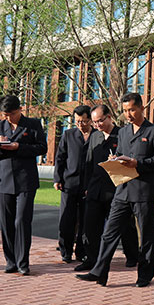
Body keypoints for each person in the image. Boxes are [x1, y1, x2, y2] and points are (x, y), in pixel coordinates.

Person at [77, 94, 154, 287]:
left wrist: (138, 163)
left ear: (142, 108)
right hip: (123, 190)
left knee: (147, 236)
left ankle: (144, 275)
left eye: (132, 110)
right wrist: (115, 160)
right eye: (125, 111)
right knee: (109, 233)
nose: (128, 114)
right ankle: (99, 272)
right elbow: (120, 154)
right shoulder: (124, 132)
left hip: (144, 192)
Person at [0, 95, 47, 275]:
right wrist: (1, 146)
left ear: (20, 109)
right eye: (4, 115)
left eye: (11, 114)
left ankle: (23, 262)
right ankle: (10, 261)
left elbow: (42, 148)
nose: (8, 118)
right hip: (5, 180)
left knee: (22, 220)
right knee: (6, 222)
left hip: (26, 180)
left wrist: (18, 147)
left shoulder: (33, 124)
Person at [74, 104, 137, 272]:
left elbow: (131, 160)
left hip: (116, 189)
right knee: (90, 225)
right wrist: (86, 186)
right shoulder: (95, 137)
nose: (97, 125)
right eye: (94, 122)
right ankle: (92, 259)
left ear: (109, 117)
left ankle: (132, 255)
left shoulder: (122, 135)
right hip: (95, 188)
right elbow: (88, 163)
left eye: (100, 121)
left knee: (123, 226)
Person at [54, 105, 94, 263]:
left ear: (90, 120)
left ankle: (81, 252)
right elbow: (60, 158)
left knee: (86, 221)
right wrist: (57, 179)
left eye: (83, 121)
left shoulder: (97, 136)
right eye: (77, 121)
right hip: (69, 184)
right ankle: (66, 251)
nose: (80, 125)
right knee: (66, 220)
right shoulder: (68, 135)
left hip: (88, 186)